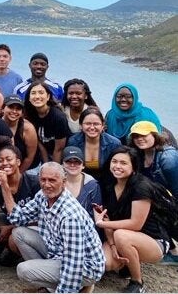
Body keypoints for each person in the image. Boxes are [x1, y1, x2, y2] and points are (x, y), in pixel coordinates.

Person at [3, 162, 105, 293]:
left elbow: (73, 264)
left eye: (52, 180)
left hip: (85, 266)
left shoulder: (70, 216)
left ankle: (79, 286)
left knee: (24, 270)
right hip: (58, 252)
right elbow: (18, 218)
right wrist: (5, 187)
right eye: (43, 180)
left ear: (63, 182)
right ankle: (51, 286)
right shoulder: (43, 195)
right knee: (18, 233)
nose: (46, 185)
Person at [95, 146, 170, 293]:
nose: (117, 166)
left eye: (123, 163)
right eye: (114, 161)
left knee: (121, 235)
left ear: (134, 167)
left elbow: (135, 224)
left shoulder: (141, 187)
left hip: (153, 240)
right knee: (105, 264)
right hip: (121, 237)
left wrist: (101, 223)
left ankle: (137, 282)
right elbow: (107, 217)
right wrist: (112, 245)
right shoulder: (108, 184)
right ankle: (126, 264)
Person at [0, 137, 40, 267]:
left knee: (13, 238)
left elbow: (41, 218)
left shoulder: (34, 182)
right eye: (1, 160)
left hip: (33, 227)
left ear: (18, 162)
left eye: (9, 159)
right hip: (9, 220)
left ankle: (17, 254)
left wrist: (10, 228)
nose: (4, 163)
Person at [128, 121, 178, 265]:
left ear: (155, 135)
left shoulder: (168, 158)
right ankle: (173, 251)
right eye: (136, 136)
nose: (140, 139)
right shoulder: (140, 155)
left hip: (171, 200)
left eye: (144, 135)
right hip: (159, 200)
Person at [66, 107, 121, 181]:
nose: (92, 127)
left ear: (102, 125)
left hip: (107, 182)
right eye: (88, 123)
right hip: (80, 181)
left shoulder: (114, 144)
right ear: (81, 125)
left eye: (96, 124)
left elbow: (117, 169)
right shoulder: (73, 141)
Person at [24, 82, 71, 165]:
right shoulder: (28, 115)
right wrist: (46, 164)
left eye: (41, 93)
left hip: (61, 155)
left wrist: (53, 168)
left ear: (48, 97)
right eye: (33, 93)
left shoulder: (58, 117)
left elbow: (59, 149)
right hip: (41, 154)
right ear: (29, 98)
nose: (37, 96)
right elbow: (39, 144)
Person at [0, 95, 38, 173]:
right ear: (3, 108)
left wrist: (17, 175)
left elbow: (30, 157)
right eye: (11, 107)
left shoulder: (28, 128)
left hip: (27, 168)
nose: (14, 111)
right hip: (2, 167)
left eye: (18, 109)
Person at [61, 146, 102, 218]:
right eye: (68, 161)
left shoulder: (93, 185)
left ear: (83, 165)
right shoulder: (56, 182)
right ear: (62, 165)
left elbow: (97, 214)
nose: (72, 165)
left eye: (77, 162)